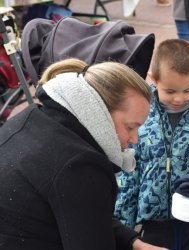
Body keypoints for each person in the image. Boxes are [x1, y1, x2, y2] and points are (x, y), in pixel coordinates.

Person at [0, 58, 168, 250]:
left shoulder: (32, 117)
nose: (135, 139)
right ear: (100, 114)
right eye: (131, 127)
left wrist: (134, 243)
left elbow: (80, 213)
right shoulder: (81, 166)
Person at [114, 39, 189, 249]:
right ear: (153, 79)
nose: (179, 98)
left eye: (187, 90)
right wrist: (123, 224)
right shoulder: (144, 113)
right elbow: (130, 171)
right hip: (154, 221)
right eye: (170, 91)